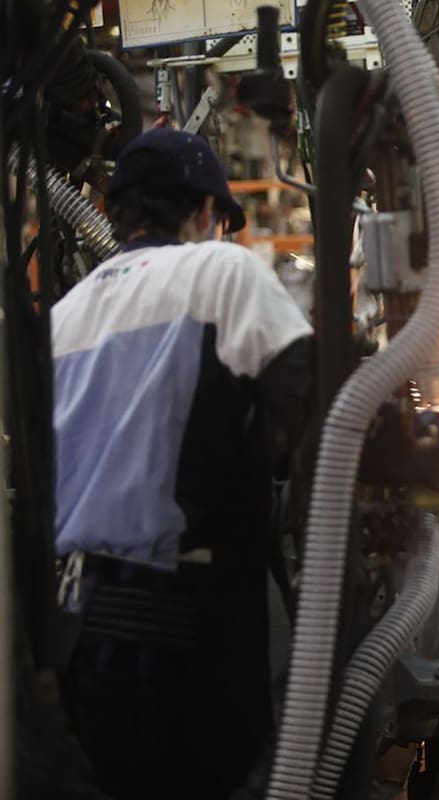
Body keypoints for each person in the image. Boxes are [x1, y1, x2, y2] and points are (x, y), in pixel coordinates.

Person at [50, 128, 315, 799]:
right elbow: (313, 403)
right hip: (193, 631)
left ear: (118, 214)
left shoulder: (61, 316)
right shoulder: (221, 273)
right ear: (206, 214)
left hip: (83, 631)